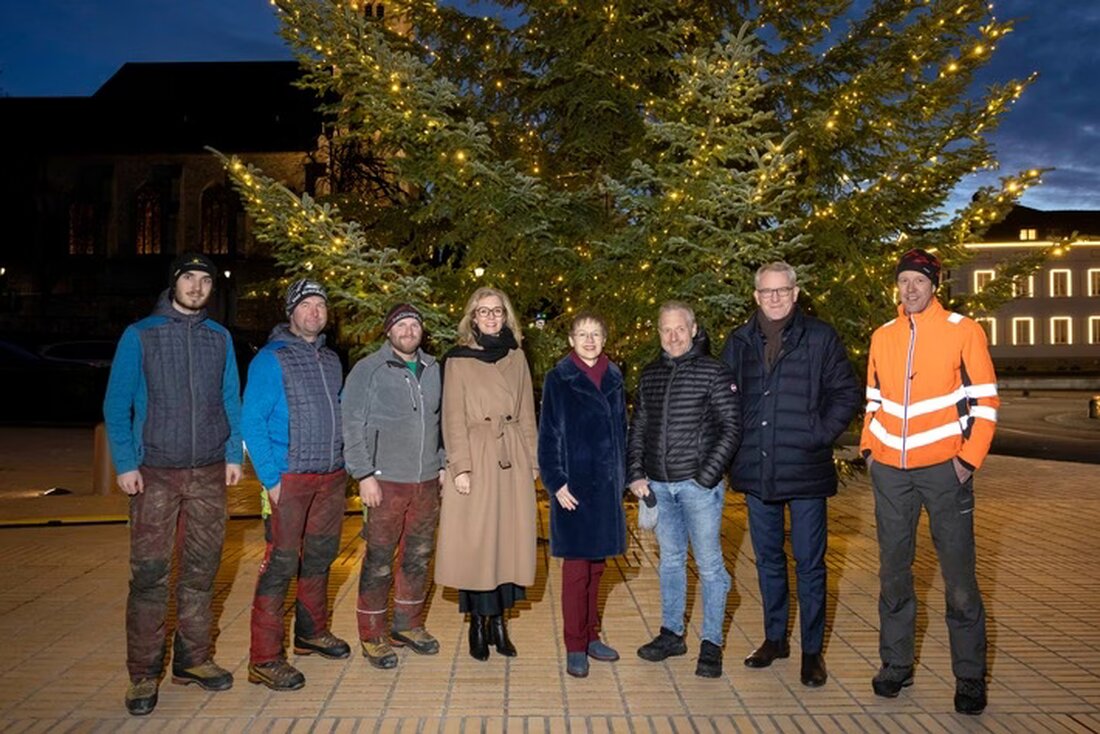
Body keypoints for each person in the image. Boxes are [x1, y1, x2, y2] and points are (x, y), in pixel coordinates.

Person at [103, 252, 242, 716]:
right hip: (156, 473)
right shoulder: (140, 335)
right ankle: (143, 674)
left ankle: (194, 659)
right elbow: (116, 404)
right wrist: (126, 463)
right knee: (149, 576)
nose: (198, 287)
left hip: (207, 473)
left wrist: (230, 453)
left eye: (205, 280)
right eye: (190, 278)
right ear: (174, 283)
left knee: (202, 572)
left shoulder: (219, 338)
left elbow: (230, 400)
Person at [861, 249, 999, 715]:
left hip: (946, 470)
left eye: (919, 281)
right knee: (894, 575)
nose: (911, 289)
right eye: (903, 281)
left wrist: (967, 461)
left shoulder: (964, 330)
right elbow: (873, 398)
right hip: (891, 474)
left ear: (934, 285)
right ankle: (895, 665)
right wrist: (869, 452)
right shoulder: (883, 336)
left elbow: (986, 403)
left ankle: (969, 677)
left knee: (959, 578)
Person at [721, 262, 861, 687]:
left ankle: (812, 651)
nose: (774, 298)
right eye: (766, 292)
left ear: (796, 293)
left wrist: (818, 434)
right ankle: (775, 638)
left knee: (811, 563)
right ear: (756, 296)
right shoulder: (740, 341)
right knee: (767, 560)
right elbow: (725, 397)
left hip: (805, 468)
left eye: (782, 290)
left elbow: (847, 391)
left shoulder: (819, 337)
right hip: (758, 468)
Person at [242, 279, 351, 691]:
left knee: (320, 558)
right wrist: (270, 480)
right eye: (306, 305)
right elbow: (251, 422)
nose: (314, 312)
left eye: (320, 305)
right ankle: (264, 658)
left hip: (329, 476)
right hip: (288, 478)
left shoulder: (330, 360)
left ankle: (311, 632)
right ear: (291, 312)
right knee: (280, 566)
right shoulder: (271, 358)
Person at [627, 301, 741, 678]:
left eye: (680, 329)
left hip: (698, 488)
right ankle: (671, 634)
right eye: (666, 330)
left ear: (693, 330)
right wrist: (636, 474)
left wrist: (706, 476)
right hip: (659, 485)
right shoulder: (650, 375)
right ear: (658, 332)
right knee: (671, 561)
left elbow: (731, 427)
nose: (673, 337)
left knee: (709, 565)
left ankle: (711, 643)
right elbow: (639, 427)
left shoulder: (714, 371)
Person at [434, 286, 538, 661]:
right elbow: (452, 418)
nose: (492, 317)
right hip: (477, 457)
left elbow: (527, 412)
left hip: (512, 458)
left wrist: (533, 462)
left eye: (498, 311)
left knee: (508, 544)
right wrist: (460, 467)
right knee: (477, 545)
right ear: (472, 318)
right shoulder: (459, 360)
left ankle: (500, 624)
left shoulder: (517, 357)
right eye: (484, 312)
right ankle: (477, 624)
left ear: (506, 315)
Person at [342, 303, 445, 669]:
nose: (407, 330)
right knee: (380, 559)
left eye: (414, 324)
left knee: (418, 556)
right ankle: (372, 633)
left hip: (427, 481)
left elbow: (442, 420)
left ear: (421, 330)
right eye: (400, 324)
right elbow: (351, 422)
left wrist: (443, 461)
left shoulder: (434, 369)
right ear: (388, 331)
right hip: (385, 481)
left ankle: (408, 624)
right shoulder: (368, 370)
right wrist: (364, 473)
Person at [538, 311, 628, 679]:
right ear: (571, 340)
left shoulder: (615, 376)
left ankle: (592, 636)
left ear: (604, 339)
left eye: (596, 334)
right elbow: (549, 437)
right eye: (582, 334)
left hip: (606, 489)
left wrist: (624, 477)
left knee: (597, 568)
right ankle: (575, 645)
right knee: (576, 571)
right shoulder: (559, 378)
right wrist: (556, 482)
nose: (589, 340)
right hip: (573, 489)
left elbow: (622, 428)